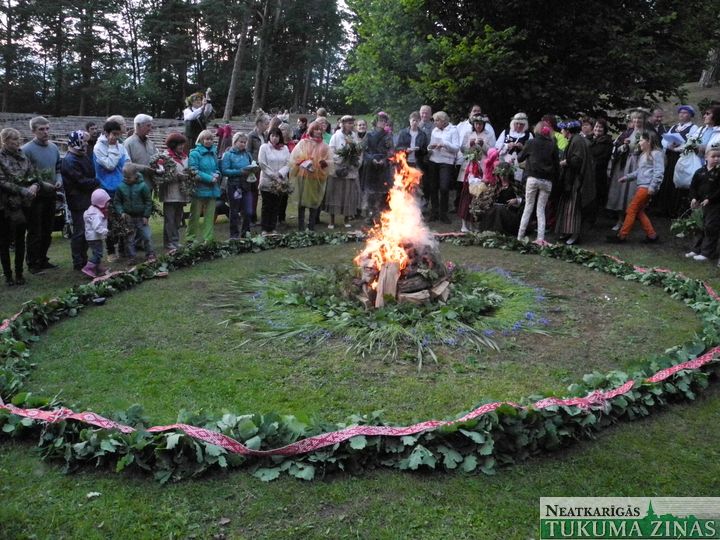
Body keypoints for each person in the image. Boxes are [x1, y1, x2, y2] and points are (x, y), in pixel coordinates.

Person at [606, 131, 663, 244]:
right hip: (641, 186)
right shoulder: (643, 155)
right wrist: (627, 177)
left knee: (631, 209)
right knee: (639, 211)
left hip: (646, 188)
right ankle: (652, 235)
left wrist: (653, 187)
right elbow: (639, 172)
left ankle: (622, 236)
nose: (639, 142)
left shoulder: (656, 154)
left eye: (641, 140)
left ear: (649, 141)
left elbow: (659, 172)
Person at [21, 116, 62, 273]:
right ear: (33, 131)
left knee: (47, 229)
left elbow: (58, 168)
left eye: (47, 128)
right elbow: (26, 175)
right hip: (35, 197)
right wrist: (41, 184)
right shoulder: (26, 150)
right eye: (41, 129)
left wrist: (59, 180)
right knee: (35, 231)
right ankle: (33, 263)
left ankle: (43, 259)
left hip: (51, 194)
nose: (45, 132)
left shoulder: (53, 147)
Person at [0, 128, 40, 286]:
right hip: (4, 205)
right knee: (3, 241)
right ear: (5, 141)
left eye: (19, 139)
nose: (18, 142)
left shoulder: (23, 156)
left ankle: (19, 273)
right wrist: (22, 189)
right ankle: (8, 274)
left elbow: (33, 175)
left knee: (20, 239)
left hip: (23, 204)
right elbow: (2, 181)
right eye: (14, 140)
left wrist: (35, 185)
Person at [61, 131, 99, 271]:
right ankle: (78, 261)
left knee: (87, 231)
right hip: (78, 201)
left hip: (87, 199)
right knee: (80, 231)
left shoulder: (82, 156)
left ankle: (83, 258)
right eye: (84, 143)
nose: (86, 146)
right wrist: (98, 181)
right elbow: (81, 181)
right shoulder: (70, 160)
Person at [516, 122, 559, 244]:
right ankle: (540, 238)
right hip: (547, 181)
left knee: (528, 207)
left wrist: (521, 149)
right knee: (541, 210)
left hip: (532, 178)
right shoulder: (552, 144)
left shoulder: (531, 143)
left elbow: (520, 158)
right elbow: (556, 164)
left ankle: (520, 236)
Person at [555, 120, 595, 245]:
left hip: (576, 180)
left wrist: (565, 162)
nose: (561, 132)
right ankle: (567, 232)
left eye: (563, 129)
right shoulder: (575, 140)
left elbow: (577, 160)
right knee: (568, 207)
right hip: (571, 179)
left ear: (568, 131)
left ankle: (575, 234)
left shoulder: (577, 141)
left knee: (574, 208)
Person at [94, 119, 129, 260]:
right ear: (106, 133)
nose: (116, 137)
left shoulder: (120, 145)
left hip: (121, 187)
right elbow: (110, 165)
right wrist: (113, 147)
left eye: (118, 134)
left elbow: (127, 161)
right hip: (107, 188)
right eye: (114, 134)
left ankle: (122, 248)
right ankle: (110, 251)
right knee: (109, 220)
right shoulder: (98, 147)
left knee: (124, 218)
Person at [290, 120, 334, 231]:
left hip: (316, 178)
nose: (318, 131)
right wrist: (303, 161)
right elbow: (294, 157)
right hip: (303, 176)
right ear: (311, 130)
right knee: (302, 202)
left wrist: (324, 163)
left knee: (314, 202)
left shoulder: (325, 146)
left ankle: (311, 226)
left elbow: (330, 161)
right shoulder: (303, 143)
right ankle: (301, 227)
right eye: (316, 129)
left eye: (320, 129)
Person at [606, 110, 647, 229]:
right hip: (624, 166)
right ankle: (619, 220)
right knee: (621, 192)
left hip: (639, 165)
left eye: (639, 118)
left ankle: (631, 220)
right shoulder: (627, 133)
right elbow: (617, 148)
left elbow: (653, 151)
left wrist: (642, 148)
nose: (637, 121)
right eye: (635, 118)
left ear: (643, 120)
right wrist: (624, 145)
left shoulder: (648, 134)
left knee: (633, 194)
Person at [456, 115, 495, 232]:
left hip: (483, 170)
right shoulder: (468, 134)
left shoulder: (488, 135)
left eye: (480, 124)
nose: (478, 126)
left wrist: (483, 145)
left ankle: (475, 224)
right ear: (473, 124)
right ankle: (464, 224)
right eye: (476, 124)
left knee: (478, 197)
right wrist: (470, 145)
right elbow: (463, 150)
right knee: (466, 196)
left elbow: (492, 152)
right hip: (470, 169)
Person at [113, 163, 156, 262]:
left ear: (136, 175)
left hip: (141, 217)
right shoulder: (121, 187)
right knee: (129, 238)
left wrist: (146, 215)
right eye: (125, 177)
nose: (126, 179)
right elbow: (117, 202)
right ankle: (131, 256)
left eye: (129, 177)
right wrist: (121, 212)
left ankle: (150, 254)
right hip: (128, 217)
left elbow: (148, 201)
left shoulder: (143, 186)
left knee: (146, 236)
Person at [684, 145, 720, 262]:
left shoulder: (718, 173)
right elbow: (693, 187)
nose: (716, 159)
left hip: (714, 206)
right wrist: (694, 198)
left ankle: (707, 252)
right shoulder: (700, 172)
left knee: (710, 227)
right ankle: (696, 249)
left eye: (719, 157)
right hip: (700, 205)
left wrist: (710, 199)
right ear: (706, 157)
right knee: (699, 226)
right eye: (713, 156)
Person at [326, 115, 362, 229]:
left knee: (348, 195)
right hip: (338, 169)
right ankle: (332, 220)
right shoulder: (336, 136)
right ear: (342, 124)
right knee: (335, 194)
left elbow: (358, 152)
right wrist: (342, 158)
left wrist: (354, 160)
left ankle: (346, 219)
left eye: (352, 123)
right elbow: (331, 152)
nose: (351, 125)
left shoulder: (354, 137)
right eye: (348, 123)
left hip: (349, 169)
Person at [187, 129, 221, 243]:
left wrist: (217, 174)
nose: (209, 141)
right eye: (206, 139)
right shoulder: (194, 154)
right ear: (201, 140)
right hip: (199, 188)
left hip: (212, 189)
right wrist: (209, 178)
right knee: (195, 215)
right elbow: (194, 170)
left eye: (211, 139)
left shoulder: (214, 153)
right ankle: (191, 238)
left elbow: (217, 168)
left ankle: (208, 238)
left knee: (210, 216)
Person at [360, 112, 394, 223]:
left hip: (383, 167)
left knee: (383, 192)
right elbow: (364, 150)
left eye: (384, 121)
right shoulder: (369, 135)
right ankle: (370, 215)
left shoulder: (388, 135)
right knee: (370, 192)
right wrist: (371, 159)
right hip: (371, 166)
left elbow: (391, 151)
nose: (382, 123)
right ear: (375, 122)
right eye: (380, 120)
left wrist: (384, 160)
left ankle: (381, 216)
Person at [160, 132, 191, 251]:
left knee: (178, 218)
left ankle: (175, 240)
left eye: (182, 144)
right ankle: (168, 242)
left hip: (181, 192)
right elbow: (163, 174)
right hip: (170, 192)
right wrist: (177, 176)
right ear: (173, 145)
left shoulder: (185, 157)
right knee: (170, 219)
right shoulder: (165, 157)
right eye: (179, 145)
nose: (182, 147)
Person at [427, 111, 460, 223]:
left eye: (437, 120)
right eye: (435, 120)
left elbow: (456, 148)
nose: (435, 123)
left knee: (444, 188)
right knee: (433, 187)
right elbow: (430, 146)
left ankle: (443, 213)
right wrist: (430, 147)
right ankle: (434, 212)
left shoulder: (453, 130)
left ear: (443, 121)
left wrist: (444, 144)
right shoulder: (435, 130)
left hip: (446, 162)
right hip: (434, 160)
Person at [221, 132, 255, 239]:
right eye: (241, 142)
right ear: (234, 142)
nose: (243, 144)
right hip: (234, 186)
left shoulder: (247, 154)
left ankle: (246, 233)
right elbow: (225, 171)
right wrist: (240, 172)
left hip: (246, 185)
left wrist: (253, 169)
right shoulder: (228, 155)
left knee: (248, 210)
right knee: (235, 211)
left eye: (245, 142)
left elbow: (251, 164)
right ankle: (234, 235)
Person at [258, 127, 290, 234]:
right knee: (267, 205)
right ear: (269, 136)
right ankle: (264, 228)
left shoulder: (284, 148)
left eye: (277, 136)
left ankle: (273, 227)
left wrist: (280, 174)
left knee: (276, 205)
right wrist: (273, 175)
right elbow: (262, 163)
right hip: (267, 180)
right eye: (272, 136)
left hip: (281, 181)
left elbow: (288, 163)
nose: (275, 138)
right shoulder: (264, 147)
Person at [495, 112, 533, 182]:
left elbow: (532, 151)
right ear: (513, 123)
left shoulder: (528, 135)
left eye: (521, 124)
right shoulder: (506, 132)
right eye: (517, 123)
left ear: (525, 125)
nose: (518, 126)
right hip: (504, 162)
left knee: (517, 182)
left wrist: (523, 148)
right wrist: (507, 146)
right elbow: (497, 146)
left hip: (520, 165)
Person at [82, 188, 111, 278]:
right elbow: (97, 227)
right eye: (107, 202)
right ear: (101, 203)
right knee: (98, 253)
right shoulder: (95, 214)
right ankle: (89, 268)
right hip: (94, 237)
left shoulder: (93, 210)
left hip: (93, 237)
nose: (109, 203)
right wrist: (106, 232)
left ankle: (97, 268)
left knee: (97, 252)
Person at [588, 119, 614, 216]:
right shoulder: (588, 139)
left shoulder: (607, 142)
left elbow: (602, 157)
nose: (598, 129)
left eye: (600, 127)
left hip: (598, 173)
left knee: (596, 195)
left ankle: (593, 216)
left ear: (604, 129)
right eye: (596, 126)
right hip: (588, 172)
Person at [247, 115, 269, 225]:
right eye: (266, 123)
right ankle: (251, 216)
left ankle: (258, 216)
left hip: (263, 167)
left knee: (260, 191)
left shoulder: (265, 136)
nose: (267, 126)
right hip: (254, 167)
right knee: (253, 192)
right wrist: (253, 162)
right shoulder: (251, 135)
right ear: (259, 124)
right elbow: (248, 151)